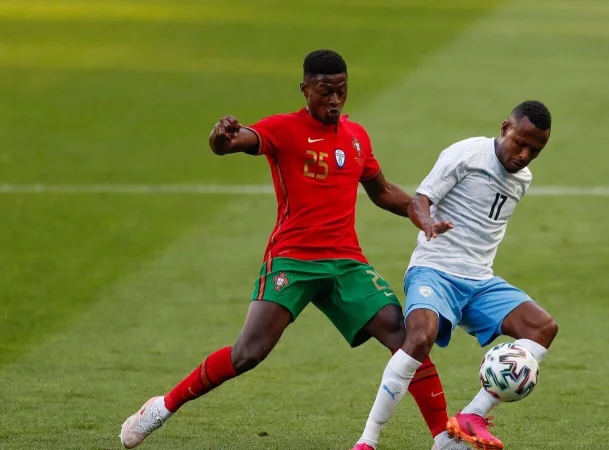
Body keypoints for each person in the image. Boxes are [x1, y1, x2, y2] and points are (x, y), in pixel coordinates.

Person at [119, 49, 463, 450]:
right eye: (324, 92)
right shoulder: (283, 129)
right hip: (293, 260)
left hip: (346, 264)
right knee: (248, 353)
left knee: (406, 336)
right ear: (305, 90)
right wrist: (221, 136)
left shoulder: (356, 137)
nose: (334, 100)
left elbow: (382, 191)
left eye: (341, 91)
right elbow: (232, 143)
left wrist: (420, 213)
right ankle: (162, 406)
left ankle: (443, 437)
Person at [352, 101, 558, 450]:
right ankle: (368, 441)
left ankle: (471, 416)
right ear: (505, 128)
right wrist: (428, 222)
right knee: (419, 338)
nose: (524, 155)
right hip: (434, 271)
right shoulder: (465, 154)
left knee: (542, 328)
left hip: (479, 281)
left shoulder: (522, 179)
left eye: (535, 150)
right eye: (520, 143)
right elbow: (420, 199)